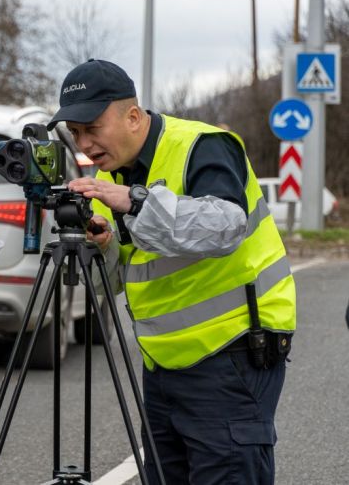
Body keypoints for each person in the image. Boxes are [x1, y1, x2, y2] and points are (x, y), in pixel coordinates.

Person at [52, 59, 296, 485]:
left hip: (231, 353)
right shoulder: (112, 178)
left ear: (132, 116)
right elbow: (127, 278)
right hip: (163, 363)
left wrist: (137, 202)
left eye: (92, 128)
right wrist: (106, 246)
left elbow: (226, 225)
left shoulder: (203, 145)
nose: (85, 144)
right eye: (75, 133)